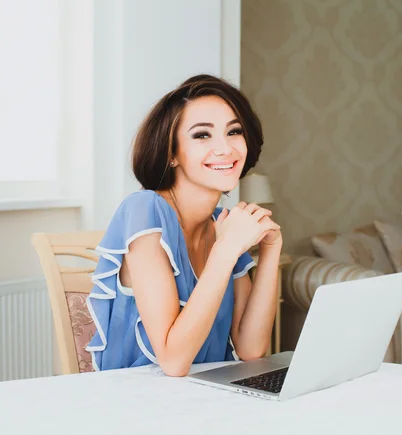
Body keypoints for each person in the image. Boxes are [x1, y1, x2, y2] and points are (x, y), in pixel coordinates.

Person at [86, 74, 282, 376]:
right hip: (137, 403)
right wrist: (226, 250)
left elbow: (250, 348)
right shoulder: (144, 211)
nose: (225, 148)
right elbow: (173, 362)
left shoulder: (221, 224)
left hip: (207, 398)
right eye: (202, 135)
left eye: (234, 131)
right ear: (171, 153)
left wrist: (271, 250)